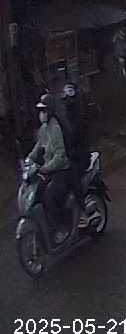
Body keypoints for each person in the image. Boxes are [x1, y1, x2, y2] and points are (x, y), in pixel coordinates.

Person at [28, 95, 72, 242]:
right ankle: (47, 226)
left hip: (61, 171)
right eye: (40, 110)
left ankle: (62, 228)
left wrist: (46, 168)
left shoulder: (55, 129)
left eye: (44, 110)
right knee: (36, 194)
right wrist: (28, 160)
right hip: (49, 170)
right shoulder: (44, 128)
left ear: (50, 111)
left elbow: (60, 156)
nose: (42, 114)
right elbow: (37, 149)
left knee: (49, 196)